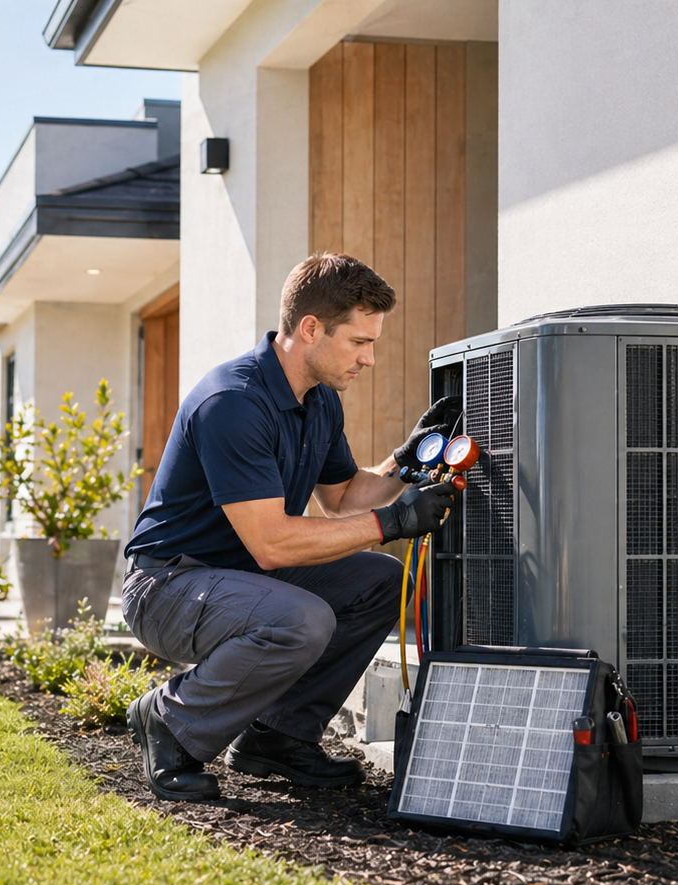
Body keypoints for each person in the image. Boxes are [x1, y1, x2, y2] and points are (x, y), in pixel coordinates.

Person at [121, 252, 461, 802]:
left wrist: (407, 460)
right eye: (359, 342)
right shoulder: (233, 402)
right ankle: (169, 719)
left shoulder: (318, 401)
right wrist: (393, 521)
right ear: (310, 329)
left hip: (244, 578)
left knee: (381, 581)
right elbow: (274, 542)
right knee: (300, 619)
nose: (370, 359)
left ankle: (278, 736)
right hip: (167, 586)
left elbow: (345, 500)